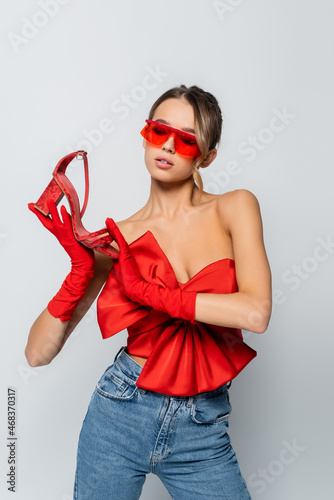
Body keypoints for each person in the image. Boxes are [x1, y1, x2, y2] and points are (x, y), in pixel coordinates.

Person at [26, 84, 272, 499]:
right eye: (160, 131)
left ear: (207, 156)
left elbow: (255, 313)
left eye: (188, 139)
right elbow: (37, 355)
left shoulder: (235, 206)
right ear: (145, 136)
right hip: (120, 412)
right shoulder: (117, 241)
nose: (170, 145)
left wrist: (153, 294)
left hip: (202, 424)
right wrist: (80, 270)